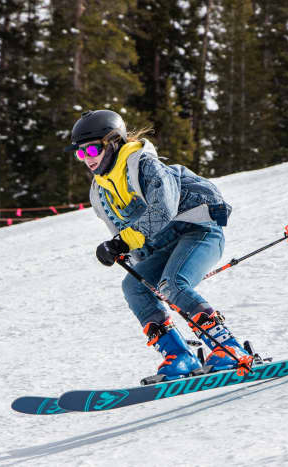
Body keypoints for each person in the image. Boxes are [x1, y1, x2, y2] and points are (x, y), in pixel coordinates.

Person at [66, 109, 251, 381]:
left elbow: (163, 209)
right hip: (165, 246)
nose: (87, 159)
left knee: (173, 283)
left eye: (92, 149)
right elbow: (124, 235)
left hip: (200, 231)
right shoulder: (100, 191)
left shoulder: (143, 165)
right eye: (80, 154)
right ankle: (179, 356)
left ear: (114, 142)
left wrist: (123, 242)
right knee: (134, 287)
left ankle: (229, 349)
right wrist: (116, 249)